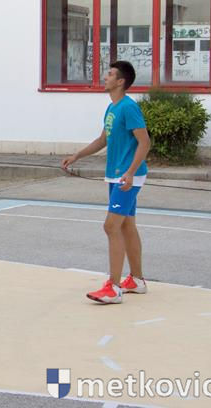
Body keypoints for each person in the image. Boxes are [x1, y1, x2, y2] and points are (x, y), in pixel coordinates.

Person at [62, 60, 151, 304]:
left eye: (110, 74)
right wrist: (77, 155)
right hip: (116, 174)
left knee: (111, 227)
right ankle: (137, 281)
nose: (105, 77)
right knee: (126, 226)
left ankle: (113, 287)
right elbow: (102, 140)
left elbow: (145, 142)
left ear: (120, 81)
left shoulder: (128, 108)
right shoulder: (112, 108)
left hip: (127, 175)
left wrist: (131, 172)